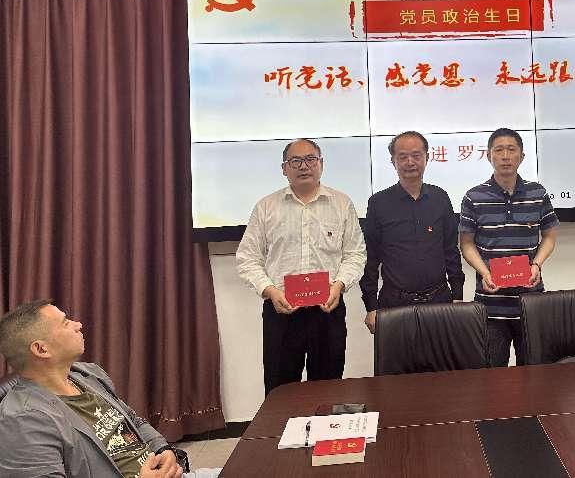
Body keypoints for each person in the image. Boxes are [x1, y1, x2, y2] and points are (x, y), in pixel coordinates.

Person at [0, 300, 217, 478]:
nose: (78, 324)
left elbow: (133, 420)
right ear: (41, 349)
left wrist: (163, 449)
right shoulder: (23, 420)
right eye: (65, 323)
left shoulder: (88, 375)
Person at [236, 139, 366, 394]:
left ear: (321, 164)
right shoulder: (266, 207)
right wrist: (271, 291)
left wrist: (339, 285)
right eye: (295, 161)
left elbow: (355, 254)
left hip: (327, 310)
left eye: (310, 159)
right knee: (280, 390)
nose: (304, 166)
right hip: (281, 311)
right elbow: (247, 258)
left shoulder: (342, 204)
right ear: (284, 168)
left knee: (328, 389)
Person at [459, 128, 558, 366]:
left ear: (521, 156)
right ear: (489, 156)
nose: (505, 156)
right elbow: (466, 244)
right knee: (493, 376)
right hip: (490, 304)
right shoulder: (474, 197)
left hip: (531, 301)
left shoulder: (538, 193)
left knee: (535, 372)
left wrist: (536, 264)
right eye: (499, 150)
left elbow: (549, 237)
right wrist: (484, 272)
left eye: (511, 150)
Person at [360, 131, 465, 334]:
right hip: (394, 303)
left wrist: (458, 295)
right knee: (397, 356)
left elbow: (451, 250)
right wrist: (371, 306)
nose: (410, 162)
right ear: (393, 161)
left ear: (427, 157)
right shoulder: (378, 203)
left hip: (439, 301)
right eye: (403, 156)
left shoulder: (440, 198)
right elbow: (370, 258)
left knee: (440, 355)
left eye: (416, 155)